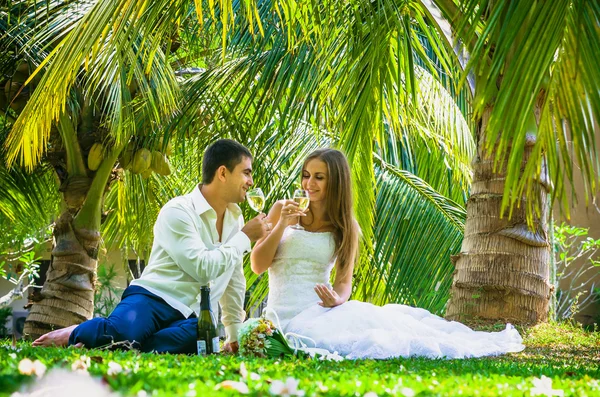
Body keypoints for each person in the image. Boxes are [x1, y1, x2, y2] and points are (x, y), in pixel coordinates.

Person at [250, 148, 524, 359]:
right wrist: (282, 226)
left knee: (375, 335)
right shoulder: (282, 209)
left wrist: (337, 299)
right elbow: (258, 265)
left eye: (319, 177)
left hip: (315, 311)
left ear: (336, 182)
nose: (309, 184)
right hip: (277, 315)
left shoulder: (345, 227)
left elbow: (344, 281)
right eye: (306, 175)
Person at [33, 139, 269, 353]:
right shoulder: (179, 211)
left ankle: (114, 341)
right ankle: (76, 333)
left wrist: (233, 334)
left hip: (192, 316)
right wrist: (244, 237)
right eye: (246, 173)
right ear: (222, 173)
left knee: (200, 343)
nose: (250, 181)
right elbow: (202, 269)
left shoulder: (235, 220)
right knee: (125, 334)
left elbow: (233, 278)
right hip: (152, 299)